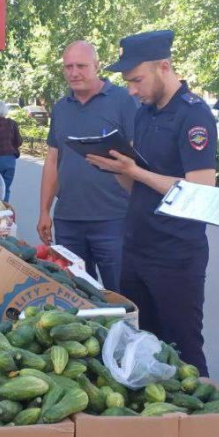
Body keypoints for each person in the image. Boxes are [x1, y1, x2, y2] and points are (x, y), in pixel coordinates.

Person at [86, 31, 217, 377]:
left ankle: (201, 428)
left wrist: (136, 172)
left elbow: (202, 191)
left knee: (184, 350)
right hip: (137, 247)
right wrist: (115, 166)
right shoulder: (144, 113)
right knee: (139, 343)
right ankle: (155, 426)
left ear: (164, 66)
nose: (131, 90)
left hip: (176, 254)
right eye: (128, 82)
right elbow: (134, 185)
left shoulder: (195, 115)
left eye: (137, 80)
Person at [39, 41, 139, 291]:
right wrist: (44, 211)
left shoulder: (124, 101)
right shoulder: (61, 108)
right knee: (76, 293)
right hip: (68, 220)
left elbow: (136, 157)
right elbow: (52, 160)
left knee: (120, 293)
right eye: (68, 67)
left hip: (113, 218)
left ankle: (124, 331)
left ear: (97, 65)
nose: (74, 73)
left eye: (81, 66)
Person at [0, 101, 23, 202]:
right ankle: (4, 211)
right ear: (5, 111)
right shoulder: (12, 123)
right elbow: (19, 141)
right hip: (10, 161)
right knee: (6, 188)